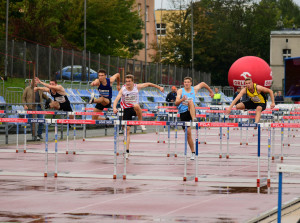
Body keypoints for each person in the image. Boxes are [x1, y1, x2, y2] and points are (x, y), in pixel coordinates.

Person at [113, 74, 164, 158]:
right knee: (127, 131)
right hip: (126, 110)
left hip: (135, 109)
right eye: (126, 81)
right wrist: (114, 107)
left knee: (136, 106)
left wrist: (159, 87)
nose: (128, 83)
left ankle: (141, 122)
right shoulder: (123, 89)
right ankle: (127, 151)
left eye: (129, 81)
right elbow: (116, 99)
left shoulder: (137, 87)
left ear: (133, 82)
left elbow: (148, 84)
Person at [175, 77, 214, 160]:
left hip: (191, 111)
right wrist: (182, 99)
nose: (186, 83)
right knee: (188, 134)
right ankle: (193, 152)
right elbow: (176, 103)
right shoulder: (180, 91)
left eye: (188, 82)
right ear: (183, 83)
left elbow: (203, 83)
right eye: (185, 82)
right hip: (183, 113)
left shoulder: (194, 89)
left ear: (191, 83)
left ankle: (194, 119)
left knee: (191, 102)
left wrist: (210, 91)